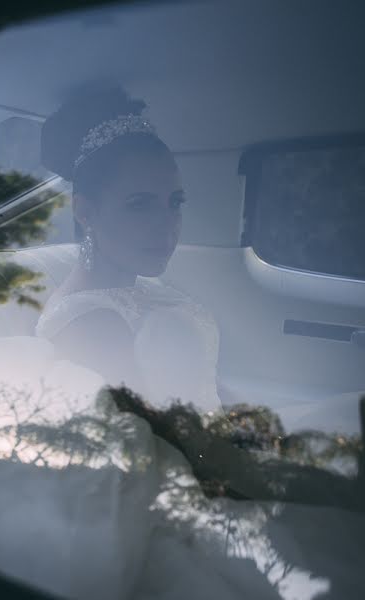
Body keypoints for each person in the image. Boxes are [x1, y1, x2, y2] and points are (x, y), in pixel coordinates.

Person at [36, 87, 221, 414]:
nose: (167, 226)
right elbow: (151, 444)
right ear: (86, 212)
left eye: (175, 203)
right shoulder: (91, 323)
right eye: (140, 205)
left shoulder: (140, 287)